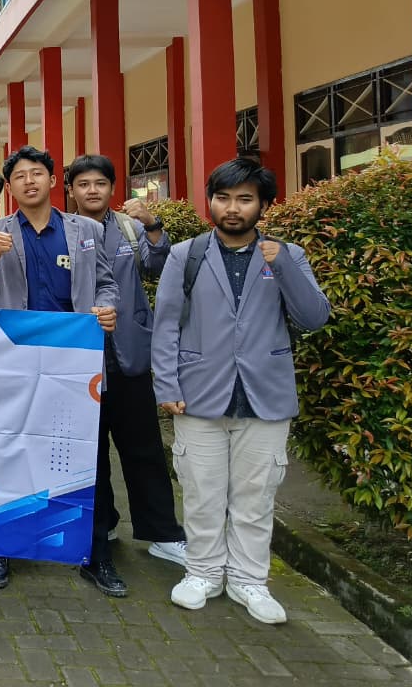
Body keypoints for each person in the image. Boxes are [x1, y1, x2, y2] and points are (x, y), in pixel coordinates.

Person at [152, 159, 330, 624]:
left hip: (264, 396)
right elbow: (166, 323)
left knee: (255, 497)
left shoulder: (286, 254)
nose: (233, 209)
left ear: (264, 206)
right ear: (210, 201)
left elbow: (314, 318)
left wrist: (284, 266)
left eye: (245, 199)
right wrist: (166, 384)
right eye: (224, 198)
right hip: (197, 393)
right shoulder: (186, 254)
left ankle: (250, 580)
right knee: (202, 491)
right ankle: (203, 573)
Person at [0, 145, 119, 590]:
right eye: (19, 177)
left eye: (37, 174)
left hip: (76, 363)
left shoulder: (86, 229)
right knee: (12, 456)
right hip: (15, 364)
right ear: (9, 187)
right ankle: (0, 552)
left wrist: (106, 309)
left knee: (90, 460)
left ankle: (96, 556)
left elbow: (106, 283)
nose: (29, 182)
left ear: (54, 181)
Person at [63, 154, 187, 598]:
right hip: (80, 362)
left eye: (100, 183)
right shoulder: (63, 230)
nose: (92, 190)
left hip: (130, 355)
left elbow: (159, 267)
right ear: (71, 190)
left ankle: (163, 534)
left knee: (144, 448)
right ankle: (106, 526)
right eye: (83, 184)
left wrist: (154, 225)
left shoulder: (130, 229)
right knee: (90, 454)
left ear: (112, 188)